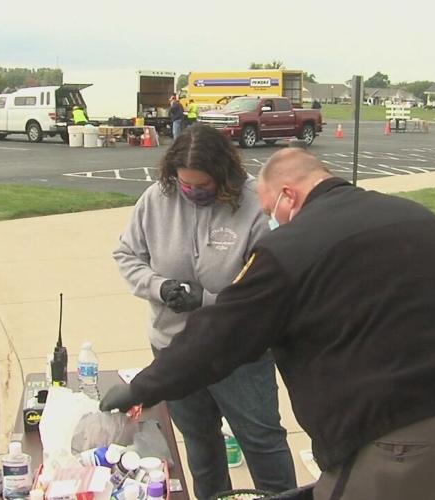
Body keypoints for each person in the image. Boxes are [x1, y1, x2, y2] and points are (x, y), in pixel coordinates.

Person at [103, 148, 435, 500]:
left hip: (401, 436)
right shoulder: (413, 217)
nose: (271, 221)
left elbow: (220, 334)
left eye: (270, 210)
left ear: (289, 195)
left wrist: (143, 386)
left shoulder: (290, 246)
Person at [112, 125, 297, 499]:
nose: (193, 193)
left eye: (203, 187)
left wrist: (206, 300)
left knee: (262, 441)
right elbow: (127, 255)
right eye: (186, 185)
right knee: (200, 445)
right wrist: (159, 286)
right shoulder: (155, 200)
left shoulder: (253, 206)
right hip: (174, 348)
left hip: (238, 354)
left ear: (224, 176)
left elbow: (267, 292)